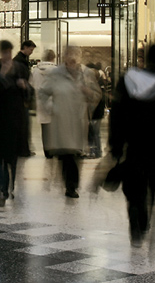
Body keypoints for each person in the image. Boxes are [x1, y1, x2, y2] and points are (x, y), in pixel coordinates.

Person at [110, 44, 155, 246]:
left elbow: (117, 113)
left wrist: (116, 143)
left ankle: (135, 217)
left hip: (133, 140)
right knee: (153, 181)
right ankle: (145, 215)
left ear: (144, 59)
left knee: (133, 182)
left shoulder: (128, 79)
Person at [39, 46, 101, 199]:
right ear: (64, 57)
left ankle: (71, 185)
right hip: (61, 121)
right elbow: (43, 93)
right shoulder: (55, 74)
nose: (72, 58)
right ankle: (70, 185)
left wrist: (89, 93)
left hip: (79, 121)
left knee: (74, 155)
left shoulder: (86, 74)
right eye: (69, 55)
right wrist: (51, 107)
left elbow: (97, 95)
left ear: (80, 57)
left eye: (75, 54)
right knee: (67, 155)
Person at [0, 40, 30, 207]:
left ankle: (9, 187)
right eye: (4, 52)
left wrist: (25, 87)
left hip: (15, 120)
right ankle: (0, 191)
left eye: (9, 52)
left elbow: (29, 95)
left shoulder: (21, 69)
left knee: (12, 159)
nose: (7, 56)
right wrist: (2, 75)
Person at [31, 49, 57, 159]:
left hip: (40, 101)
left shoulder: (35, 70)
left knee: (44, 127)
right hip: (54, 101)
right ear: (53, 57)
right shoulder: (56, 70)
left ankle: (47, 150)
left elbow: (31, 85)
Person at [14, 40, 36, 157]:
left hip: (21, 97)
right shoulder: (20, 62)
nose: (31, 52)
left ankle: (23, 149)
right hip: (21, 98)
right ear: (25, 47)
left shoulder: (20, 61)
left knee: (23, 125)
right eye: (31, 49)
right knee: (23, 125)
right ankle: (23, 150)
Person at [87, 63, 107, 158]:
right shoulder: (97, 85)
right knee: (93, 133)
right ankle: (94, 151)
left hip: (95, 113)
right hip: (95, 113)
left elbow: (96, 99)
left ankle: (96, 151)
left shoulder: (95, 86)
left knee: (94, 133)